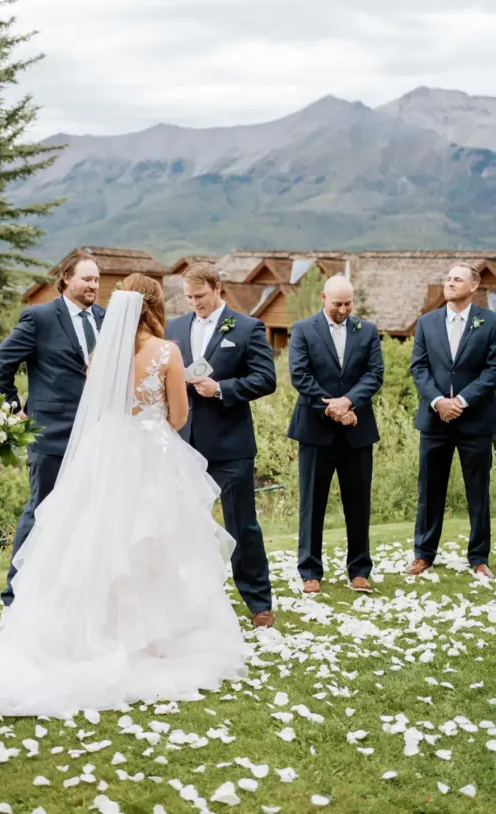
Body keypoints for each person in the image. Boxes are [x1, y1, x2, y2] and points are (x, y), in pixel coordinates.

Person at [0, 275, 246, 715]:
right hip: (150, 458)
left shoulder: (102, 355)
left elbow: (97, 409)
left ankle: (88, 634)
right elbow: (178, 415)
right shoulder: (168, 352)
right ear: (153, 305)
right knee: (152, 545)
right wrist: (149, 430)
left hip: (104, 456)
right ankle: (151, 639)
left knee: (94, 540)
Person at [166, 262, 277, 628]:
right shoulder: (175, 329)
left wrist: (223, 389)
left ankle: (259, 603)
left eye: (200, 296)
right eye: (189, 297)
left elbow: (265, 379)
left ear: (217, 287)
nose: (194, 303)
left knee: (241, 525)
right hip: (184, 444)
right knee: (184, 526)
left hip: (230, 446)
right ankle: (190, 601)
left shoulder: (247, 328)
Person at [0, 250, 105, 606]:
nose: (94, 286)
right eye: (87, 279)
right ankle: (15, 593)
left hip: (98, 435)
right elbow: (2, 361)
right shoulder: (40, 317)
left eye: (97, 279)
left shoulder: (106, 318)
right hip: (51, 433)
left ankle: (70, 591)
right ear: (66, 278)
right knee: (41, 509)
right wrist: (12, 409)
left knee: (90, 512)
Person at [287, 275, 384, 594]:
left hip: (357, 430)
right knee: (312, 502)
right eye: (337, 303)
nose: (342, 310)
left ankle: (359, 570)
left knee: (358, 503)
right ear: (323, 297)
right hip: (316, 430)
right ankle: (310, 571)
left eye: (348, 304)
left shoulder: (367, 330)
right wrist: (331, 408)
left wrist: (349, 401)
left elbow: (375, 373)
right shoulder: (303, 329)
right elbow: (300, 375)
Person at [407, 264, 496, 578]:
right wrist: (438, 402)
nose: (450, 282)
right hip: (434, 421)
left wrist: (461, 401)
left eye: (457, 278)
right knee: (429, 489)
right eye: (447, 278)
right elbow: (419, 368)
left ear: (474, 285)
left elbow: (493, 369)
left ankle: (479, 557)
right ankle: (423, 555)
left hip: (476, 422)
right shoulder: (426, 322)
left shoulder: (490, 323)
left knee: (478, 491)